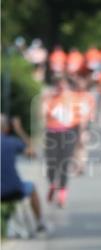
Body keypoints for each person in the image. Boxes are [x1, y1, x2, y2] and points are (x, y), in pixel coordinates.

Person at [42, 76, 88, 208]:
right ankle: (52, 185)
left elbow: (81, 118)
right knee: (51, 163)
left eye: (64, 84)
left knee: (64, 163)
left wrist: (81, 135)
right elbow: (42, 115)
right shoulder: (50, 98)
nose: (61, 87)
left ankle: (62, 192)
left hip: (68, 133)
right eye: (58, 84)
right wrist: (44, 101)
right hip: (52, 133)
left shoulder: (75, 98)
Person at [1, 115, 47, 232]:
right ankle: (40, 223)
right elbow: (32, 152)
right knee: (32, 187)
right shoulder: (12, 142)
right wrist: (19, 129)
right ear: (7, 128)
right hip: (15, 189)